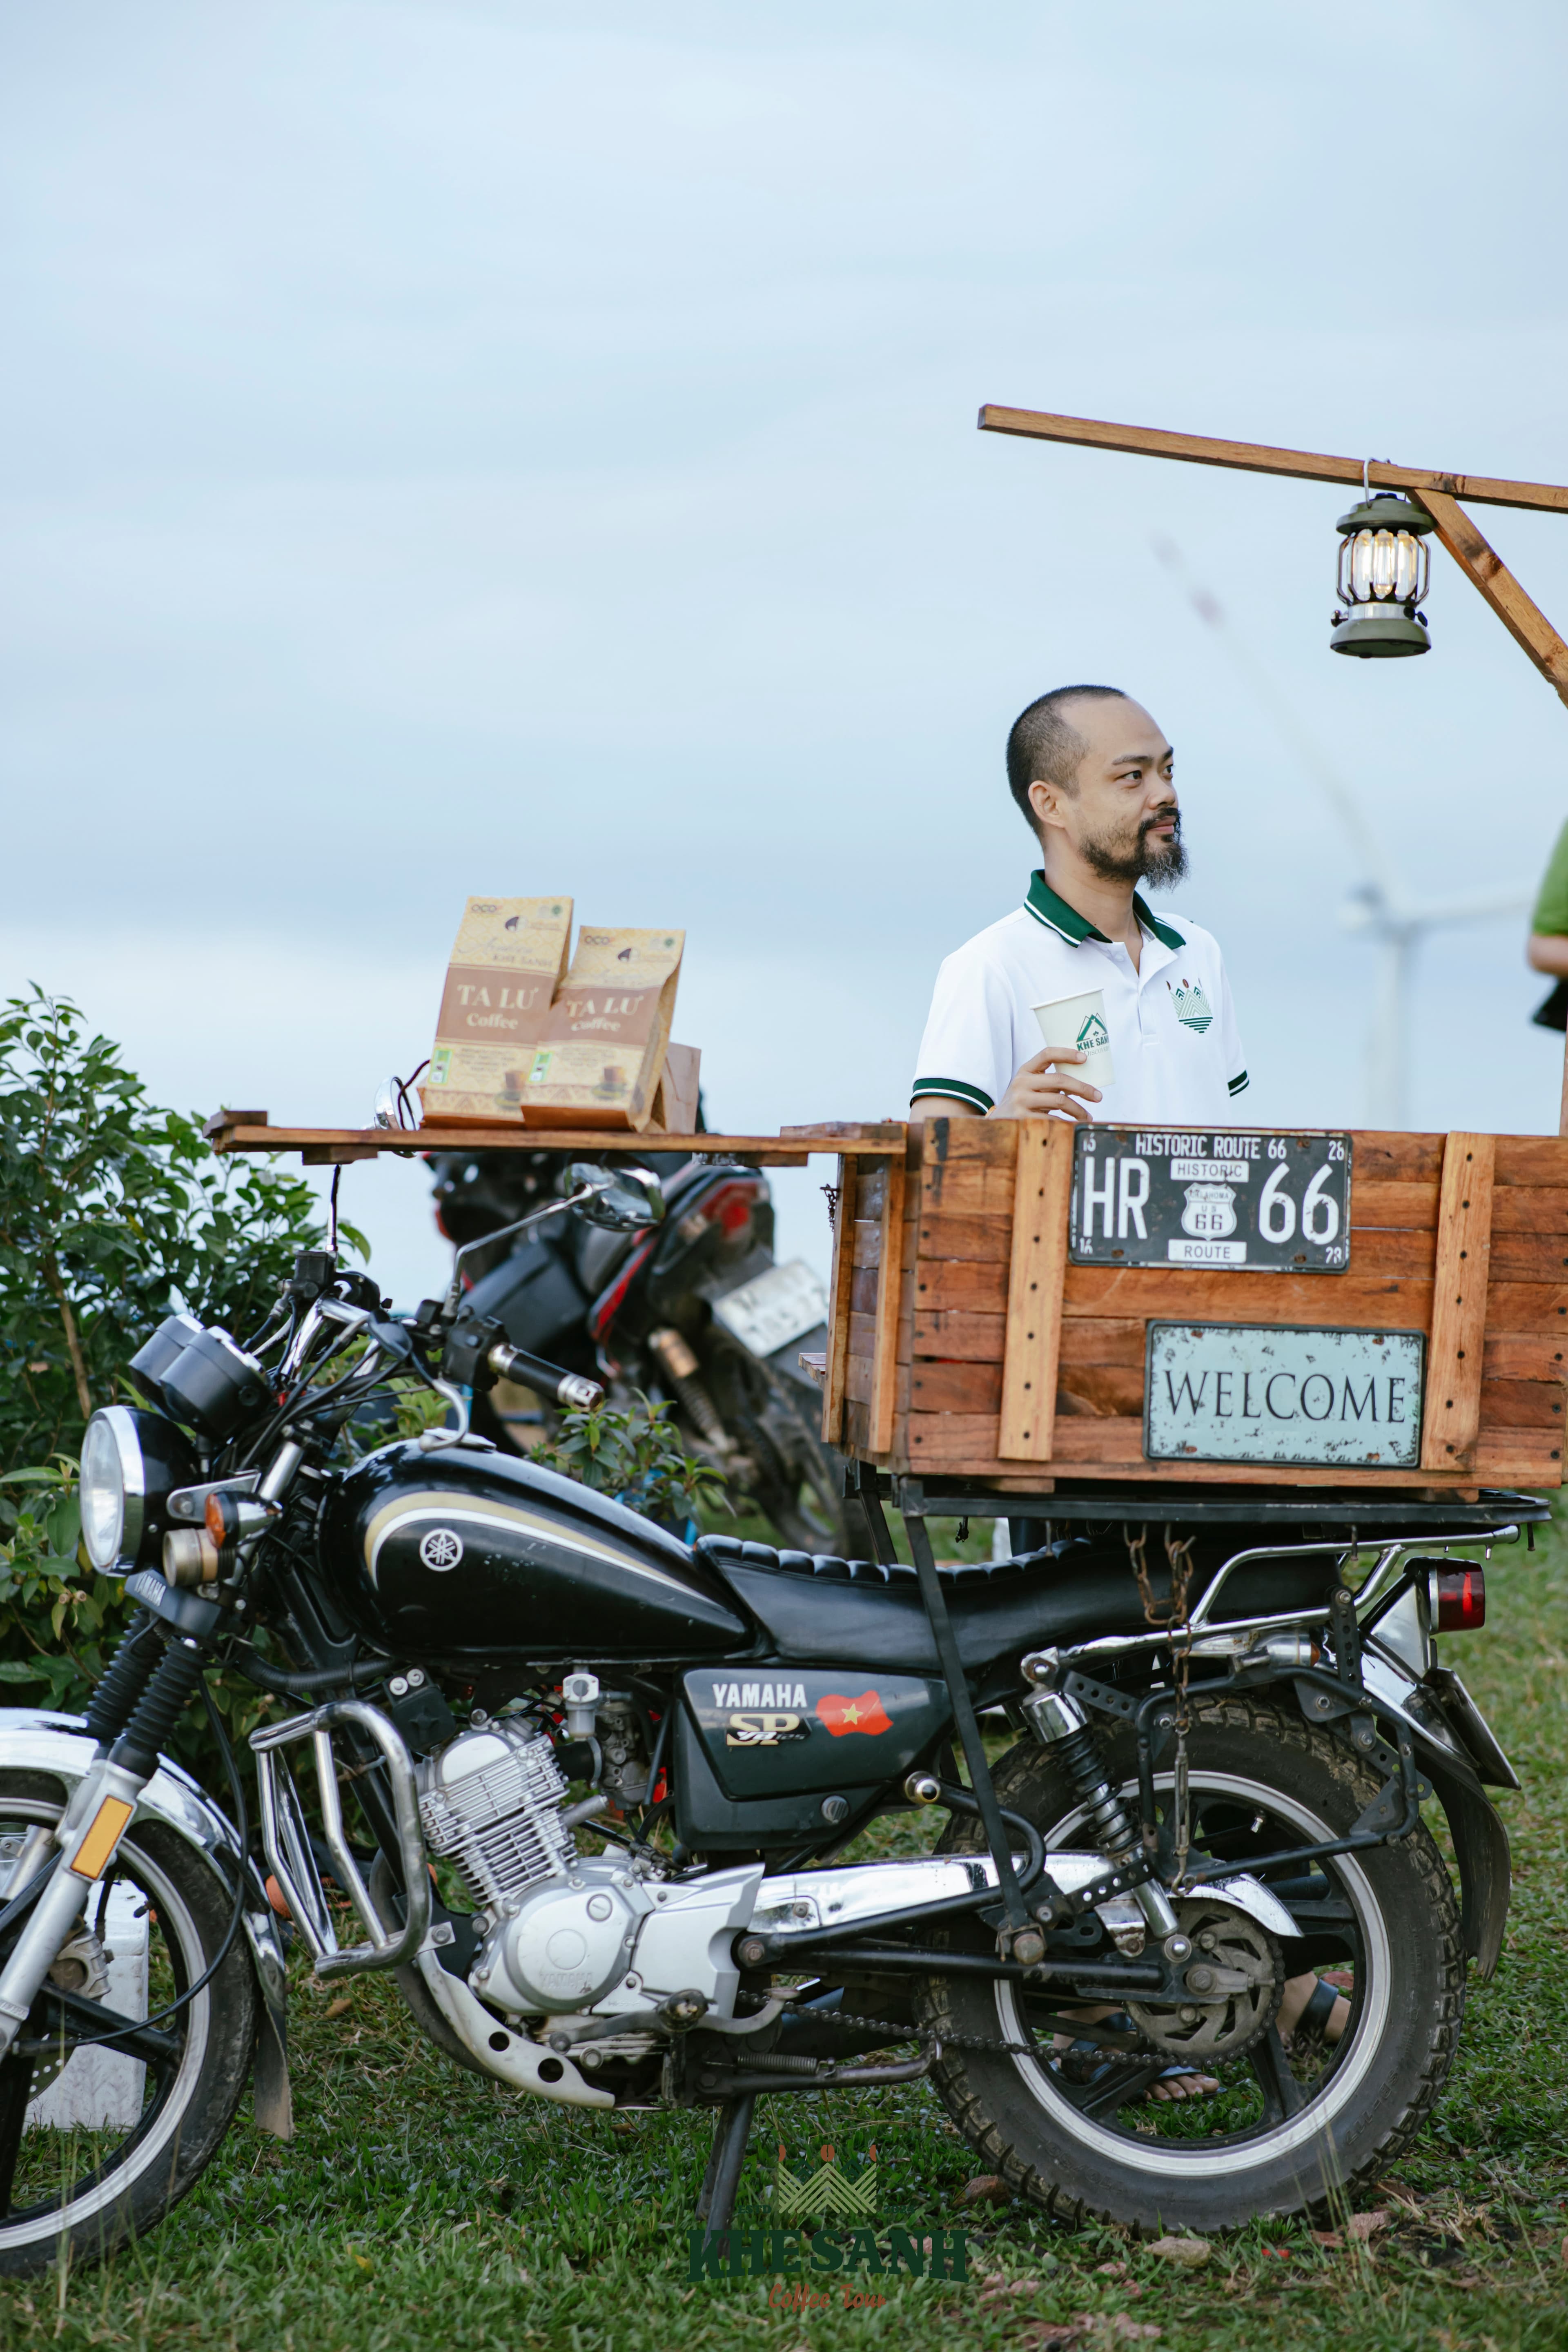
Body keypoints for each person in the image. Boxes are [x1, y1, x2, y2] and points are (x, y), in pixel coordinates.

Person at [910, 684, 1348, 2099]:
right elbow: (929, 1159)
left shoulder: (1199, 954)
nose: (1162, 795)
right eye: (1132, 774)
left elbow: (1235, 1160)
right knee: (1093, 1689)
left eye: (1168, 771)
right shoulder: (985, 968)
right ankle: (1106, 1999)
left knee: (1255, 1662)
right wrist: (998, 1135)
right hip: (1069, 1400)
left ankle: (1289, 1965)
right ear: (1052, 804)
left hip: (1213, 1385)